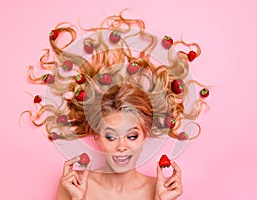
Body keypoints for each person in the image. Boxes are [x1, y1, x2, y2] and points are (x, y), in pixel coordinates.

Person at [25, 10, 208, 200]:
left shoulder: (161, 190)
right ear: (97, 135)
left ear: (146, 133)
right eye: (111, 136)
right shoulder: (73, 185)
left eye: (132, 135)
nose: (122, 146)